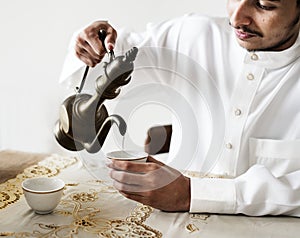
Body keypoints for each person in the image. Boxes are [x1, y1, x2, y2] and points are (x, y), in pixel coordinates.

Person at [60, 0, 300, 216]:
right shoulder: (197, 35)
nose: (237, 18)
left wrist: (190, 193)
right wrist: (92, 44)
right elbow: (118, 54)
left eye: (264, 5)